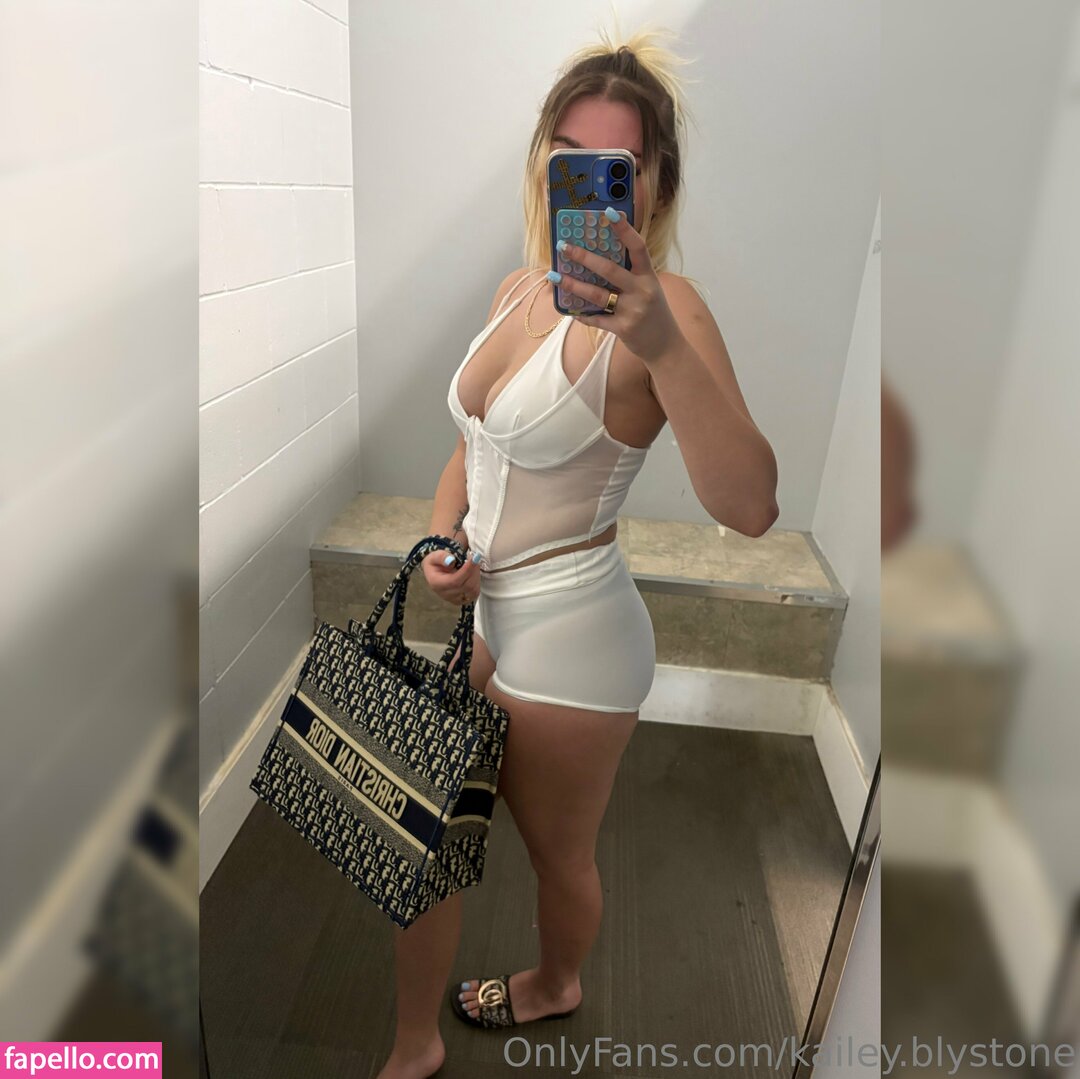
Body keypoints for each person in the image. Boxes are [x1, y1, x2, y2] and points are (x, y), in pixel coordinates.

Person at [376, 25, 779, 1079]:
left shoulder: (672, 313)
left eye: (616, 165)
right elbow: (468, 448)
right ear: (544, 166)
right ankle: (413, 1043)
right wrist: (442, 540)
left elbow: (751, 505)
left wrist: (658, 343)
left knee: (558, 855)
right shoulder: (518, 289)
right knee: (428, 834)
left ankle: (558, 983)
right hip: (486, 612)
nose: (589, 183)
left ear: (653, 182)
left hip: (576, 639)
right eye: (568, 158)